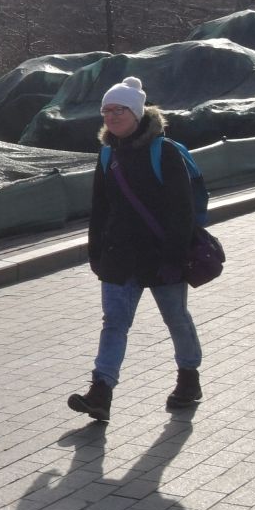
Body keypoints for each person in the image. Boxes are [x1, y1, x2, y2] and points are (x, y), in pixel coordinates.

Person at [68, 76, 204, 421]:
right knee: (113, 323)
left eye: (119, 110)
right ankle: (101, 391)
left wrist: (174, 258)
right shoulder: (107, 154)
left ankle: (189, 378)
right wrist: (95, 252)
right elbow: (100, 208)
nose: (112, 116)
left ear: (137, 112)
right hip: (119, 256)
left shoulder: (165, 152)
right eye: (107, 111)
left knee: (175, 318)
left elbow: (182, 211)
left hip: (162, 257)